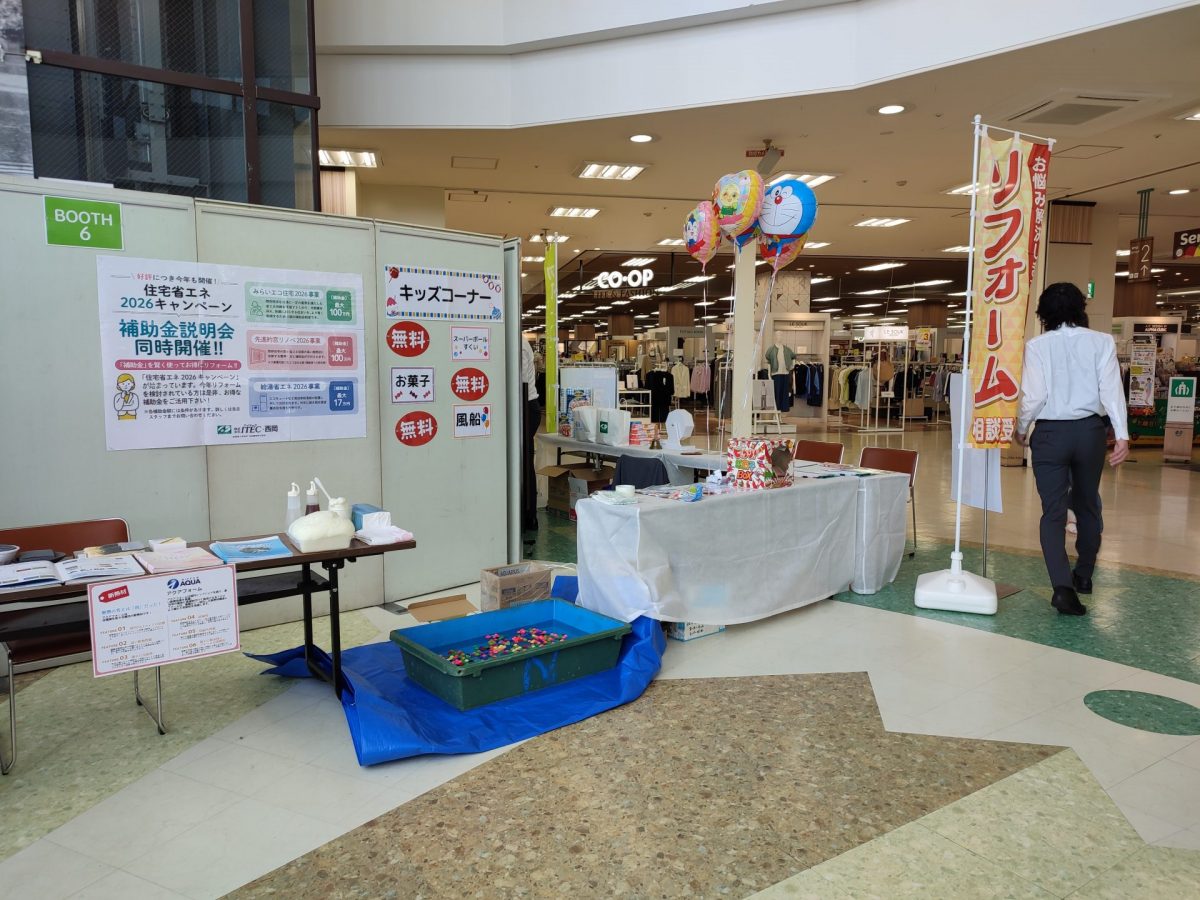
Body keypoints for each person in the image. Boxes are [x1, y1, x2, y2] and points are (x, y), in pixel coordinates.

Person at [1015, 282, 1129, 616]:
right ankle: (1084, 574)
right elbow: (1111, 391)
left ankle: (1063, 589)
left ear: (1044, 313)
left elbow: (1034, 396)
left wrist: (1022, 428)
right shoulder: (1102, 341)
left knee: (1053, 512)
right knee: (1087, 503)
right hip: (1090, 432)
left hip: (1050, 434)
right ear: (1081, 308)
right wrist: (1122, 435)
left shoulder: (1037, 346)